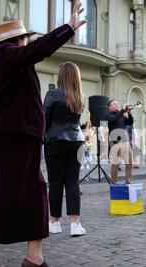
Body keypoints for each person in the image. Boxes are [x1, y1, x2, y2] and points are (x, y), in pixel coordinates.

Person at [0, 4, 87, 267]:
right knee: (15, 199)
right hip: (12, 140)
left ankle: (30, 257)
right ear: (16, 41)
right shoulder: (4, 56)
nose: (27, 43)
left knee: (30, 195)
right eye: (25, 39)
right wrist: (68, 28)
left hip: (19, 139)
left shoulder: (6, 60)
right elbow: (36, 50)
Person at [44, 62, 86, 237]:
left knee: (55, 182)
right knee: (72, 182)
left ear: (61, 75)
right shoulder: (80, 96)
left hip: (55, 140)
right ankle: (75, 223)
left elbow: (44, 118)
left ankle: (54, 222)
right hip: (76, 141)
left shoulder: (53, 93)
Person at [107, 100, 134, 184]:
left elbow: (130, 122)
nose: (117, 105)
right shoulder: (108, 115)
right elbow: (113, 120)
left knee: (129, 162)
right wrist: (123, 110)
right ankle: (114, 183)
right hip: (115, 141)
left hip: (125, 140)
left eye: (117, 103)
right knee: (116, 163)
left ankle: (128, 181)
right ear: (110, 107)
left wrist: (129, 114)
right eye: (114, 104)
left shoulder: (121, 114)